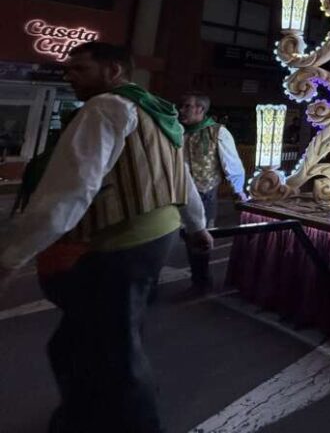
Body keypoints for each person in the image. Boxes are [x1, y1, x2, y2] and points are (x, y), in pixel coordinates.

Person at [0, 42, 212, 433]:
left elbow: (71, 189)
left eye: (80, 68)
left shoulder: (106, 107)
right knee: (86, 343)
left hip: (121, 243)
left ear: (114, 71)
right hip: (155, 236)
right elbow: (179, 175)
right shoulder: (157, 110)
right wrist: (196, 226)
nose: (70, 75)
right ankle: (85, 416)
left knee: (112, 354)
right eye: (69, 69)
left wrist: (12, 256)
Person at [179, 92, 247, 291]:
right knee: (179, 235)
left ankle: (201, 281)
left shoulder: (217, 132)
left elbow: (231, 163)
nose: (182, 110)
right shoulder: (178, 130)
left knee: (199, 237)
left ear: (200, 109)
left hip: (204, 193)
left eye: (187, 106)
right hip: (178, 192)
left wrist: (237, 190)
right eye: (182, 106)